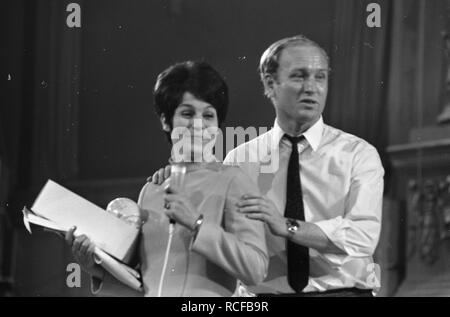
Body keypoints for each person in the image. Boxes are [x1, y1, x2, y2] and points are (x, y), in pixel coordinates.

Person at [151, 35, 384, 297]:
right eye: (299, 76)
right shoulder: (239, 159)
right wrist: (173, 173)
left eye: (320, 77)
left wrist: (286, 226)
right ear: (270, 84)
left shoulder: (358, 154)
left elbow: (363, 236)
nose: (311, 87)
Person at [65, 61, 268, 297]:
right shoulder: (151, 190)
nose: (199, 124)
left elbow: (256, 268)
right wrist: (97, 268)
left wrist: (197, 224)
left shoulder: (234, 181)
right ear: (165, 120)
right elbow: (147, 281)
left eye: (209, 115)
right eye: (187, 113)